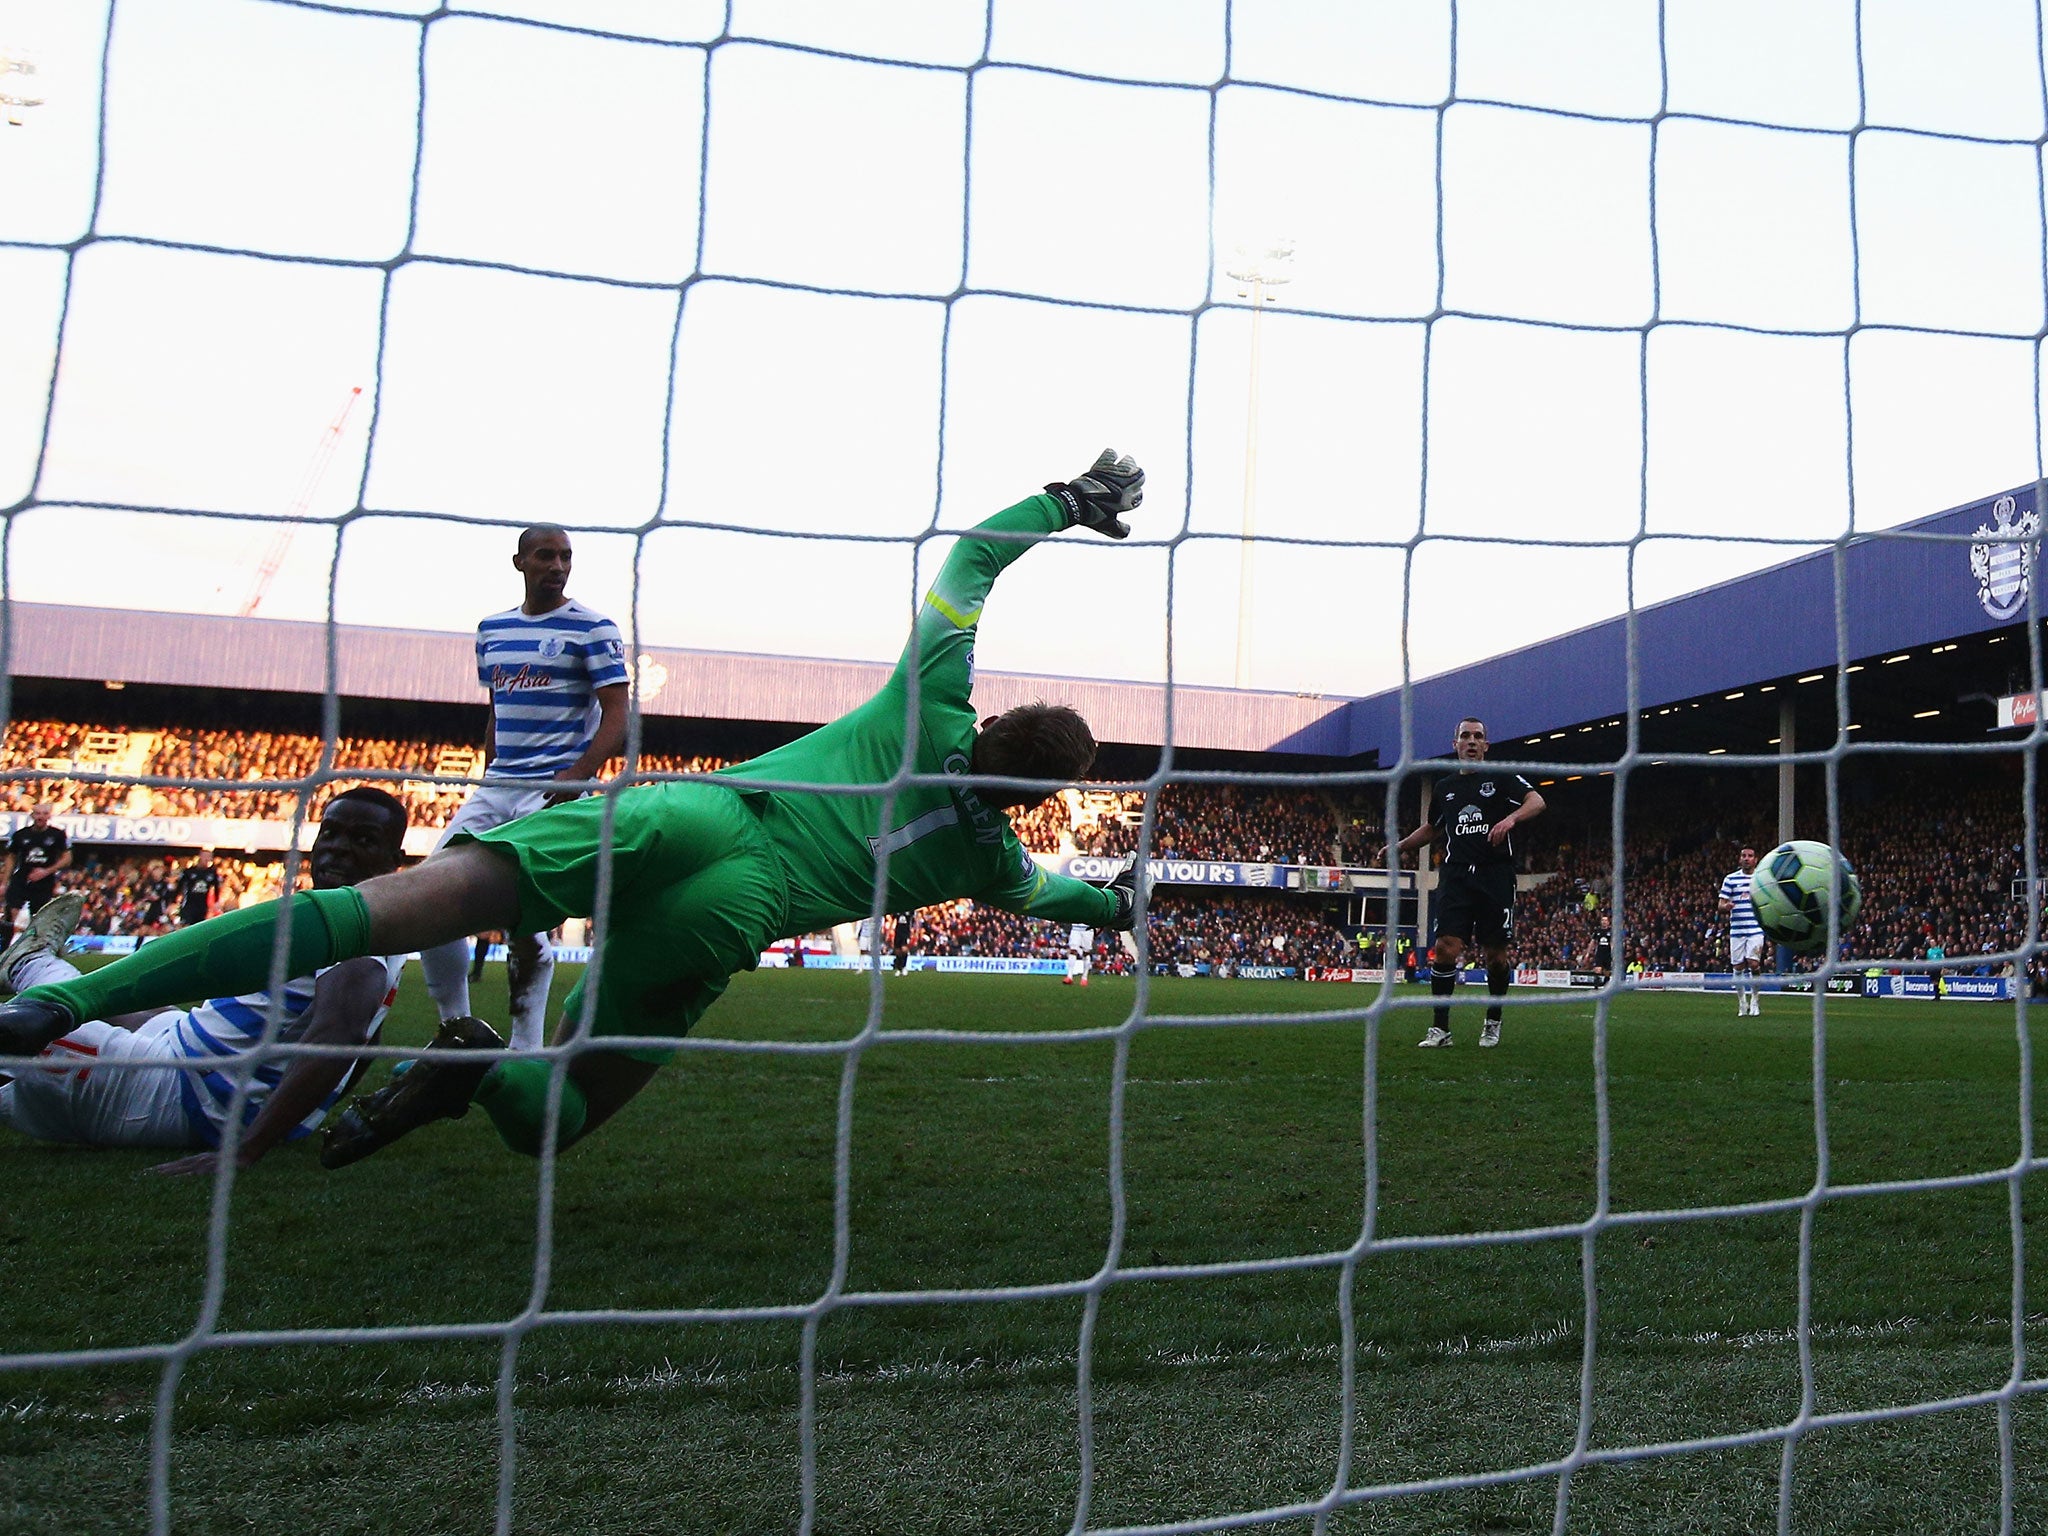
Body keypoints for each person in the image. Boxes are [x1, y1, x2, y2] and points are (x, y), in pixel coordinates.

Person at [0, 452, 1150, 1168]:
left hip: (693, 816)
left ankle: (73, 1002)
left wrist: (1065, 499)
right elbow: (1059, 897)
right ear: (1037, 796)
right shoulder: (990, 861)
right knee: (551, 1125)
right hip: (732, 912)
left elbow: (971, 562)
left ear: (992, 722)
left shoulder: (929, 701)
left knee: (389, 909)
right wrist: (1112, 906)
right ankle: (474, 1068)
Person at [0, 788, 408, 1167]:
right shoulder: (387, 923)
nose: (338, 848)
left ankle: (27, 963)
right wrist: (308, 1117)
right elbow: (368, 1046)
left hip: (189, 1093)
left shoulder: (354, 937)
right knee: (126, 1001)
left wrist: (247, 1148)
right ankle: (31, 962)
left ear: (394, 859)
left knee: (35, 1024)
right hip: (200, 1062)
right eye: (331, 832)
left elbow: (339, 1036)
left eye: (363, 839)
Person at [414, 524, 629, 1051]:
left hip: (553, 786)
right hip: (500, 783)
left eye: (565, 557)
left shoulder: (593, 627)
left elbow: (618, 714)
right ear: (520, 563)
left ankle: (526, 1046)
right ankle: (454, 1028)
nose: (557, 566)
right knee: (428, 896)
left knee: (516, 907)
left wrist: (578, 776)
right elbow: (496, 709)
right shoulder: (492, 629)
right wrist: (490, 767)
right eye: (545, 556)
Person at [1385, 718, 1545, 1048]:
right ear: (1455, 744)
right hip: (1456, 874)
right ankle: (1440, 1030)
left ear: (1486, 745)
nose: (1471, 741)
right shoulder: (1445, 788)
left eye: (1478, 737)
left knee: (1495, 955)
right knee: (1445, 947)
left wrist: (1510, 819)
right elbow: (1432, 829)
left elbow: (1537, 801)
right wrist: (1399, 846)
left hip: (1495, 874)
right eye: (1465, 736)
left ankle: (1493, 1020)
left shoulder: (1501, 777)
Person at [4, 803, 71, 928]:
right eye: (38, 813)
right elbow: (11, 857)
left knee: (38, 916)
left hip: (44, 881)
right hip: (22, 877)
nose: (41, 817)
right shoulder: (20, 835)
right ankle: (8, 943)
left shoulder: (57, 835)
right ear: (32, 815)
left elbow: (67, 858)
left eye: (44, 814)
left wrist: (46, 871)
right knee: (12, 910)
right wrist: (4, 882)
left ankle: (33, 943)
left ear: (49, 816)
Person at [1717, 846, 1764, 1016]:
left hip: (1756, 928)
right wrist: (1726, 906)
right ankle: (1742, 1003)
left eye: (1750, 856)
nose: (1746, 858)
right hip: (1737, 929)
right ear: (1739, 859)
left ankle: (1755, 1001)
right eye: (1743, 855)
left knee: (1753, 963)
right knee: (1738, 967)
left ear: (1755, 859)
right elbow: (1720, 904)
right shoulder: (1730, 879)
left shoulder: (1761, 878)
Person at [175, 848, 222, 928]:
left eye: (209, 857)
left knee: (199, 927)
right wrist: (175, 899)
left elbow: (217, 887)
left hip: (202, 906)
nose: (207, 859)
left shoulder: (212, 873)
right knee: (186, 926)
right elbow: (179, 886)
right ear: (200, 856)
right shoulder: (189, 872)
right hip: (189, 905)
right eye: (205, 856)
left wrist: (217, 901)